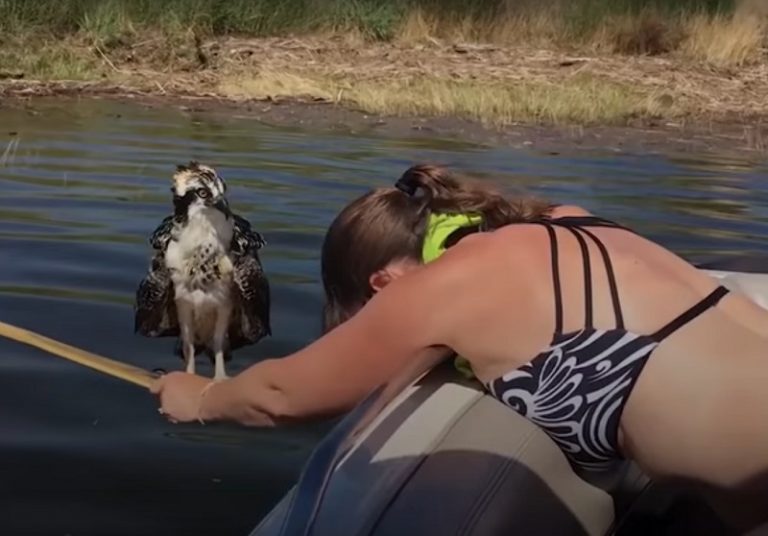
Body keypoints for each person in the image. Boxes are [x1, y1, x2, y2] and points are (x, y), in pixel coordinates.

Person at [150, 164, 768, 504]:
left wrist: (200, 398)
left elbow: (281, 395)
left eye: (369, 310)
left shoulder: (449, 285)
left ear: (384, 282)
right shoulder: (565, 222)